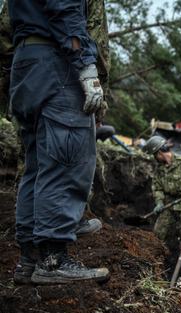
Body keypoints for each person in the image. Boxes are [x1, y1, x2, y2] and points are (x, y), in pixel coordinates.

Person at [9, 0, 110, 285]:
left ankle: (28, 260)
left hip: (26, 62)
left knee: (37, 165)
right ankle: (53, 259)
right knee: (65, 160)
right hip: (57, 62)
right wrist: (86, 66)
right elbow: (63, 9)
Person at [142, 135, 181, 246]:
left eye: (154, 155)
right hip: (169, 205)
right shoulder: (160, 169)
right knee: (158, 234)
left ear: (159, 153)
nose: (155, 158)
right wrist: (159, 202)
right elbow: (157, 187)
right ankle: (157, 258)